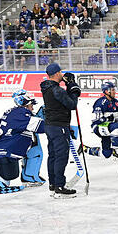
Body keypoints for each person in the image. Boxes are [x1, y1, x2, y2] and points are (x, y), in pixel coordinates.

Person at [39, 63, 81, 198]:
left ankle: (53, 184)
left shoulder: (48, 87)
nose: (62, 75)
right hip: (59, 126)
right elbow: (72, 104)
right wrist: (73, 89)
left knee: (53, 155)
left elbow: (63, 101)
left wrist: (68, 87)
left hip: (50, 125)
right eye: (61, 72)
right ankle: (59, 186)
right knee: (61, 156)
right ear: (56, 73)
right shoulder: (56, 90)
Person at [83, 81, 118, 159]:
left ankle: (85, 149)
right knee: (116, 127)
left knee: (106, 153)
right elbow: (96, 120)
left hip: (109, 127)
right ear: (106, 91)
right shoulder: (101, 102)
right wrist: (108, 119)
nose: (114, 92)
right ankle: (116, 149)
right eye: (112, 90)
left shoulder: (116, 102)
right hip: (99, 127)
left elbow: (117, 118)